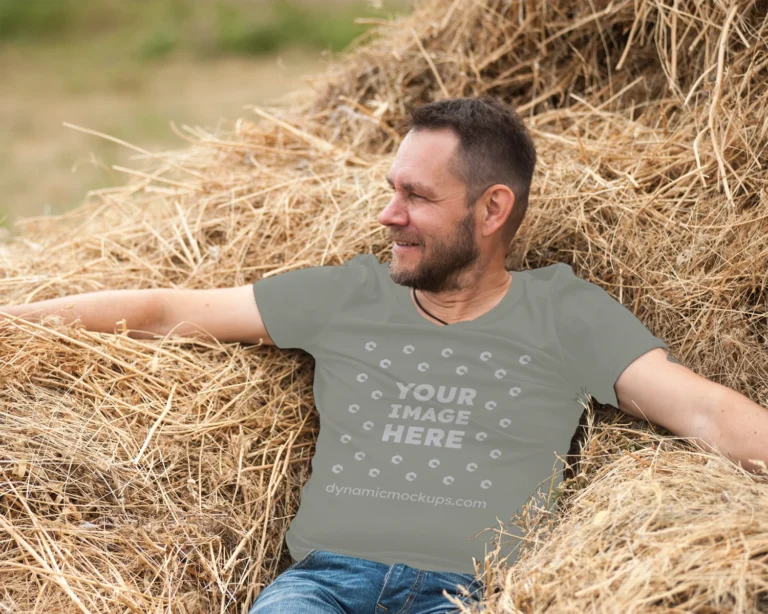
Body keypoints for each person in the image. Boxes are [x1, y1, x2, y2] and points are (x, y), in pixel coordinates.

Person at [2, 97, 766, 613]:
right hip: (324, 587)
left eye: (417, 198)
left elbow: (698, 406)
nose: (388, 214)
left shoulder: (565, 313)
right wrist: (15, 320)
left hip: (469, 593)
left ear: (492, 209)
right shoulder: (347, 296)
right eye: (390, 189)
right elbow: (168, 313)